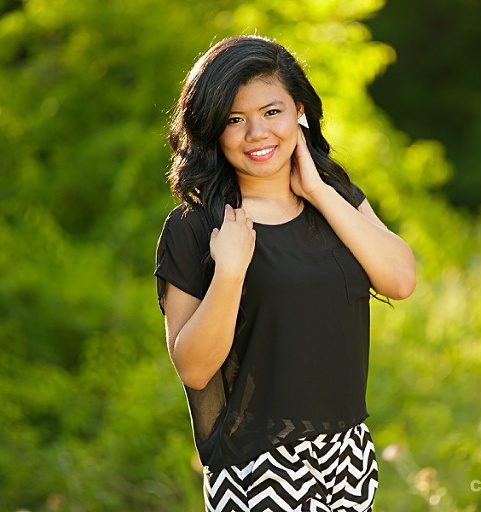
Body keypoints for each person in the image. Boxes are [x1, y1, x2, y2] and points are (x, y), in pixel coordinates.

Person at [155, 34, 416, 512]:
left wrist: (317, 190)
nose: (257, 134)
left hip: (348, 456)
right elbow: (193, 368)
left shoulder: (336, 196)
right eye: (235, 120)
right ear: (213, 129)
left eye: (271, 112)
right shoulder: (195, 228)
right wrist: (229, 273)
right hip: (259, 472)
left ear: (299, 110)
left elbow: (400, 280)